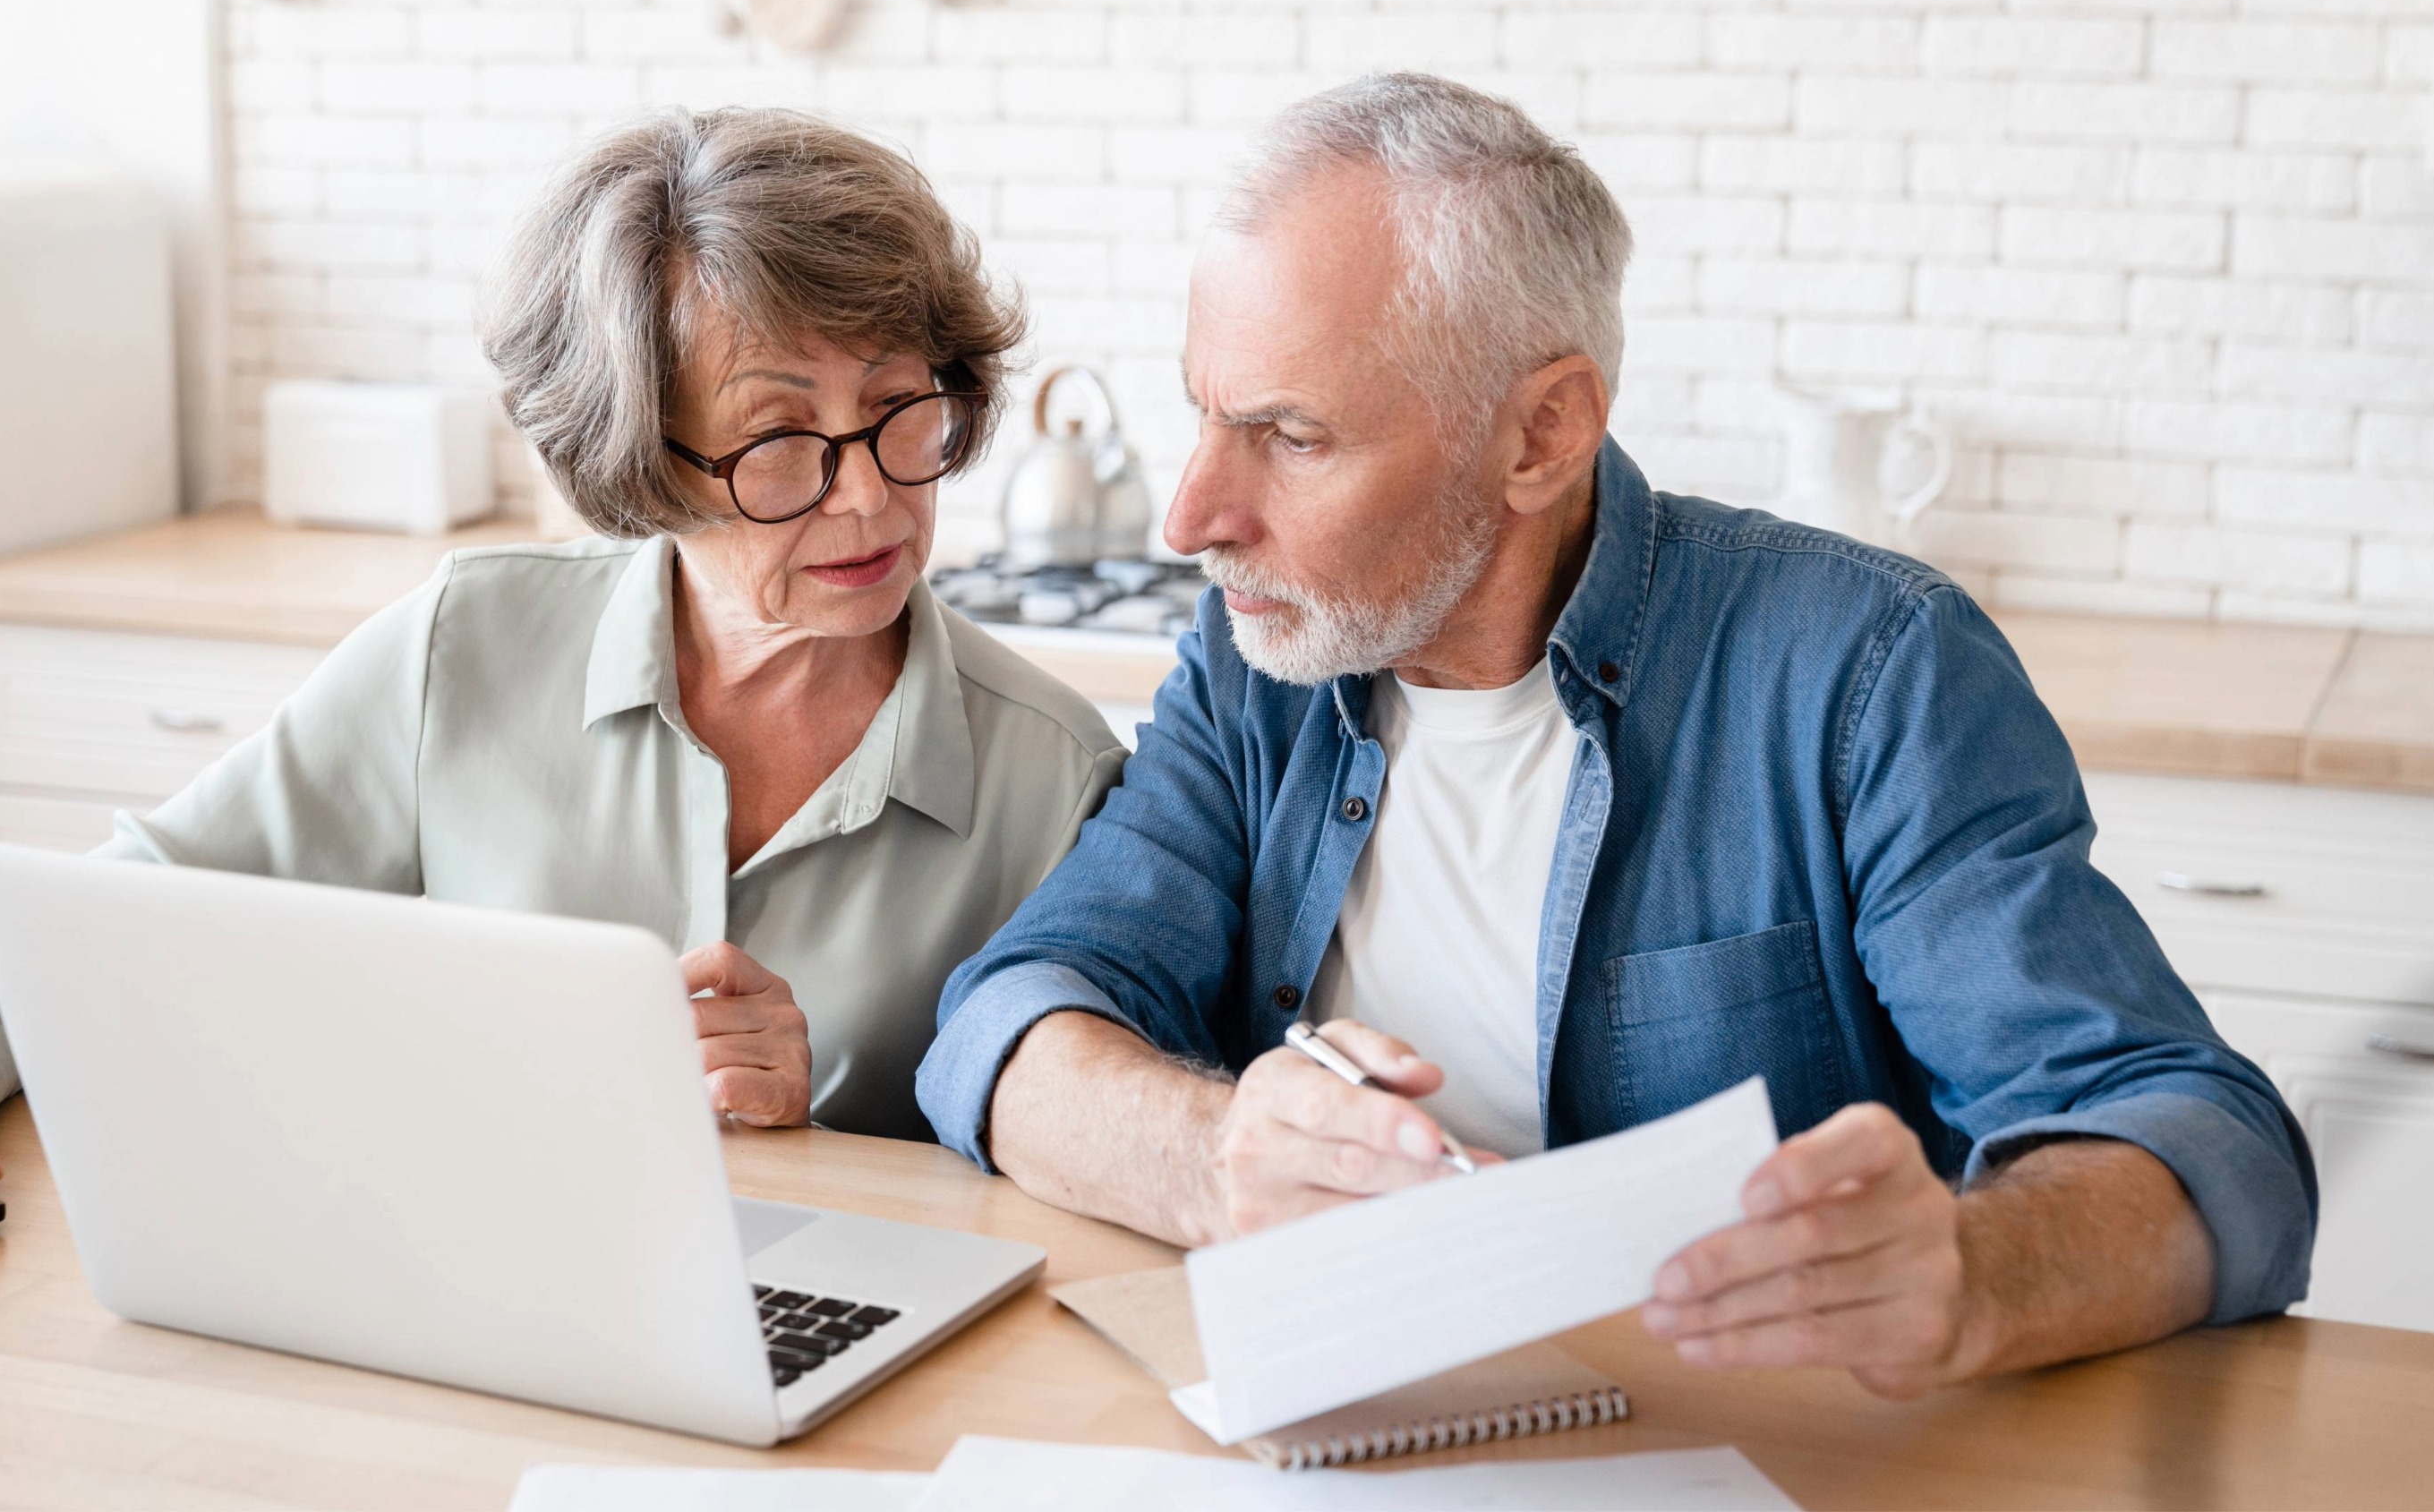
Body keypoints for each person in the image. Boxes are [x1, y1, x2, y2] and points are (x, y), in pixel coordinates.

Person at [918, 73, 2315, 1398]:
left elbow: (2209, 1145)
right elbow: (1009, 1022)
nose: (1191, 518)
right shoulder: (1258, 659)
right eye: (1205, 414)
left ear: (1543, 432)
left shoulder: (1867, 670)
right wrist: (1218, 1154)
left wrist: (1973, 1269)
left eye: (1290, 435)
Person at [0, 107, 1125, 1197]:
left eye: (899, 409)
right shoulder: (468, 647)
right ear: (644, 463)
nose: (871, 492)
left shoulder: (1056, 780)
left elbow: (1061, 1195)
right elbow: (151, 911)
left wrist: (820, 1136)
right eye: (778, 442)